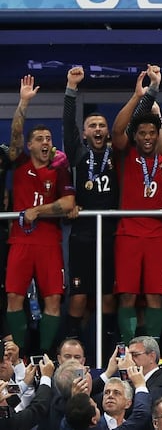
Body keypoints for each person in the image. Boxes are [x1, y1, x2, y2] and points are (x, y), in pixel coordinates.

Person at [63, 66, 146, 354]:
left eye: (101, 125)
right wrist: (71, 89)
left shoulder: (118, 154)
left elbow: (133, 126)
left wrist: (143, 95)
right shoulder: (78, 153)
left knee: (109, 296)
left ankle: (110, 350)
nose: (98, 129)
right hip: (83, 234)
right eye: (92, 126)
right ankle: (73, 349)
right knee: (79, 297)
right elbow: (68, 125)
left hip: (111, 234)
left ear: (107, 131)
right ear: (85, 133)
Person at [5, 74, 76, 354]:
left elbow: (68, 202)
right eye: (39, 139)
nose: (45, 143)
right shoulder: (20, 161)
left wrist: (37, 210)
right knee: (14, 297)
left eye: (48, 138)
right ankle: (19, 357)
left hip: (49, 243)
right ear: (30, 145)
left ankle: (44, 355)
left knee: (53, 300)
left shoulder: (59, 170)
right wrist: (23, 102)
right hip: (20, 241)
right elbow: (15, 135)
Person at [110, 69, 162, 343]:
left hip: (157, 236)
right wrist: (142, 95)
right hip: (128, 233)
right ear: (135, 136)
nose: (148, 137)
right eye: (142, 133)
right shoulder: (126, 157)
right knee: (127, 294)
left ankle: (152, 348)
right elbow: (117, 131)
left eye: (152, 132)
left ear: (159, 134)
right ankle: (128, 347)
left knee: (154, 295)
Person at [0, 355, 55, 429]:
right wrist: (46, 377)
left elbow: (9, 397)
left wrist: (25, 383)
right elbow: (38, 409)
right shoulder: (5, 421)